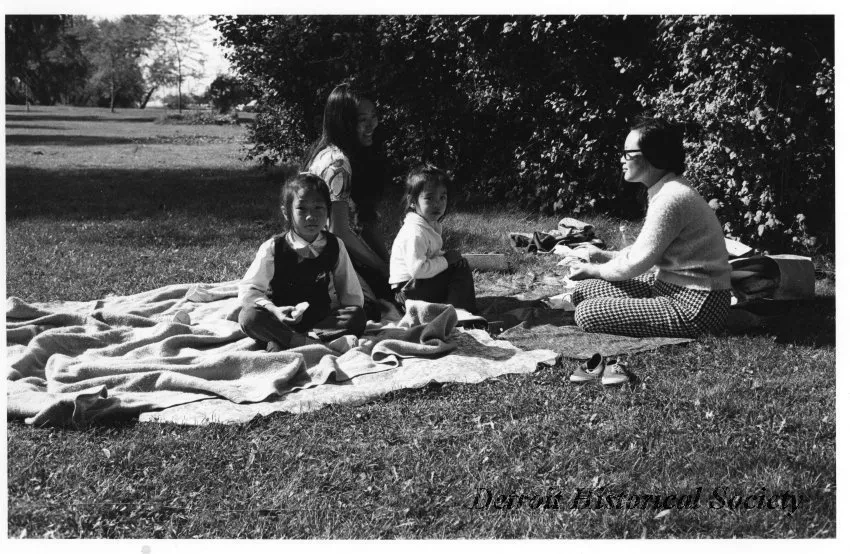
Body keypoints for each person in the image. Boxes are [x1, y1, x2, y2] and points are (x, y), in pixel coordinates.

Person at [567, 116, 731, 339]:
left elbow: (639, 262)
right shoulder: (666, 189)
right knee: (584, 292)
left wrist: (594, 270)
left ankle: (669, 316)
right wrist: (606, 256)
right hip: (669, 286)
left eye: (628, 153)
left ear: (653, 156)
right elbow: (645, 248)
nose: (622, 159)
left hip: (696, 304)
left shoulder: (671, 198)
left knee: (587, 313)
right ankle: (644, 308)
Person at [238, 172, 366, 351]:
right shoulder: (273, 247)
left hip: (320, 320)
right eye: (302, 209)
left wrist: (350, 315)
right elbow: (249, 290)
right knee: (249, 317)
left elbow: (350, 292)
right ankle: (302, 341)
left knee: (357, 316)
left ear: (328, 210)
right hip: (281, 318)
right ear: (286, 212)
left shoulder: (335, 245)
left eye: (318, 208)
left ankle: (298, 340)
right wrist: (275, 311)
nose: (311, 216)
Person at [305, 83, 394, 319]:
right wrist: (382, 268)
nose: (371, 125)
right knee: (372, 312)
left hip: (348, 256)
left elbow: (367, 222)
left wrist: (390, 268)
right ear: (343, 122)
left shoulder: (354, 158)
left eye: (374, 117)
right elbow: (339, 233)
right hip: (326, 260)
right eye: (362, 119)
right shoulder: (338, 164)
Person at [388, 164, 477, 313]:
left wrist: (446, 259)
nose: (437, 204)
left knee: (458, 264)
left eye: (442, 197)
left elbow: (430, 257)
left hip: (416, 286)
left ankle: (453, 308)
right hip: (407, 291)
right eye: (429, 198)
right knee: (460, 270)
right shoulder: (415, 232)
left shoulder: (428, 225)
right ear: (412, 201)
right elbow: (417, 270)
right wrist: (446, 260)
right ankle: (457, 313)